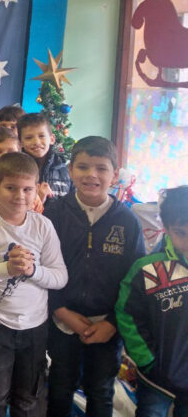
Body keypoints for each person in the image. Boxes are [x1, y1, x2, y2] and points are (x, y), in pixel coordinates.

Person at [0, 152, 68, 416]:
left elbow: (60, 277)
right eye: (11, 188)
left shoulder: (43, 226)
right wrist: (5, 269)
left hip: (35, 326)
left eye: (27, 189)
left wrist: (33, 270)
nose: (20, 196)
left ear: (37, 188)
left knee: (29, 397)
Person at [44, 136, 146, 416]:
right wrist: (60, 310)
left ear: (114, 175)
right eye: (83, 166)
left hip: (107, 326)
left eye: (101, 168)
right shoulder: (54, 213)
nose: (92, 174)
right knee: (59, 387)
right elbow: (42, 268)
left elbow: (135, 279)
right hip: (63, 319)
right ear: (70, 170)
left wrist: (112, 323)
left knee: (100, 391)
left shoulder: (127, 221)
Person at [116, 185, 188, 416]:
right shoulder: (147, 269)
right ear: (166, 229)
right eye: (181, 233)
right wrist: (146, 359)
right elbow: (127, 313)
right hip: (156, 378)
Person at [18, 113, 73, 206]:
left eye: (41, 136)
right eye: (29, 138)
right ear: (20, 143)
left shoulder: (65, 171)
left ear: (52, 139)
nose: (36, 142)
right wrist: (37, 199)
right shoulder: (16, 170)